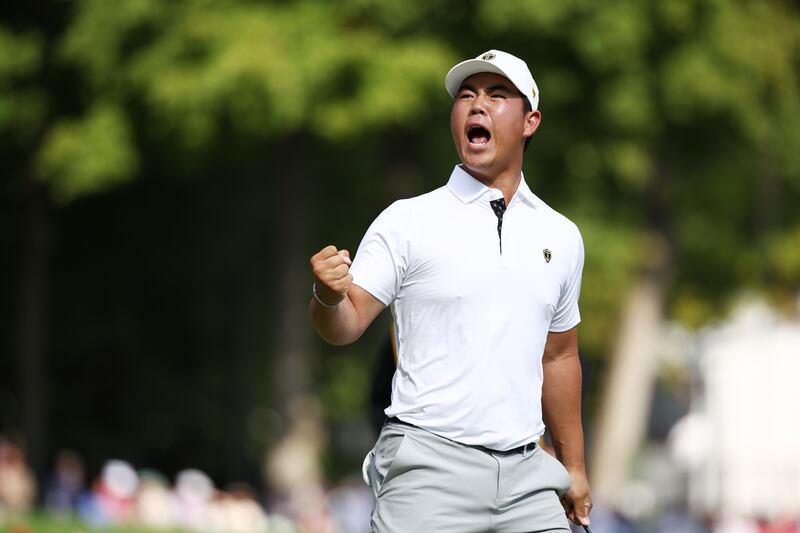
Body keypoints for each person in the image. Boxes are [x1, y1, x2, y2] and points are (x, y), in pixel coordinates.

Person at [309, 49, 592, 532]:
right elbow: (346, 324)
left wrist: (576, 468)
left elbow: (559, 357)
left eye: (497, 95)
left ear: (530, 121)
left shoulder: (561, 236)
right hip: (428, 469)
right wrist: (328, 297)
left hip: (528, 475)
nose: (477, 105)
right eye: (466, 95)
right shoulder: (408, 220)